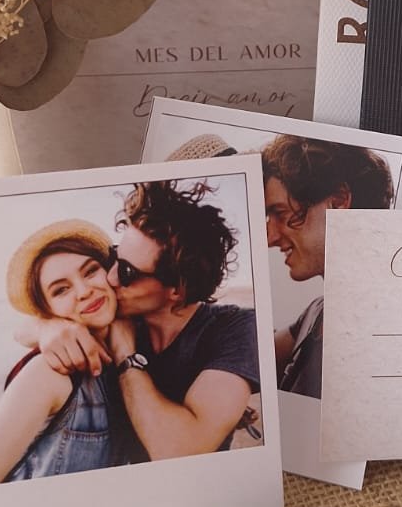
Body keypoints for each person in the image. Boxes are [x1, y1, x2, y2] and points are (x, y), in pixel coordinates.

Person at [29, 180, 258, 460]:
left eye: (127, 272)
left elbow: (178, 450)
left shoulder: (235, 329)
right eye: (114, 256)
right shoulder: (116, 310)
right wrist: (48, 327)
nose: (111, 277)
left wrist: (126, 355)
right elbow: (25, 328)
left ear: (178, 290)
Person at [0, 221, 128, 486]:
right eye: (61, 290)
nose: (84, 291)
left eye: (90, 271)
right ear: (48, 311)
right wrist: (43, 328)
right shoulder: (48, 373)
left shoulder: (135, 344)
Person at [260, 137, 394, 399]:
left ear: (339, 201)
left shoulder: (382, 326)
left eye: (281, 213)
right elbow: (251, 354)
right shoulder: (317, 312)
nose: (270, 238)